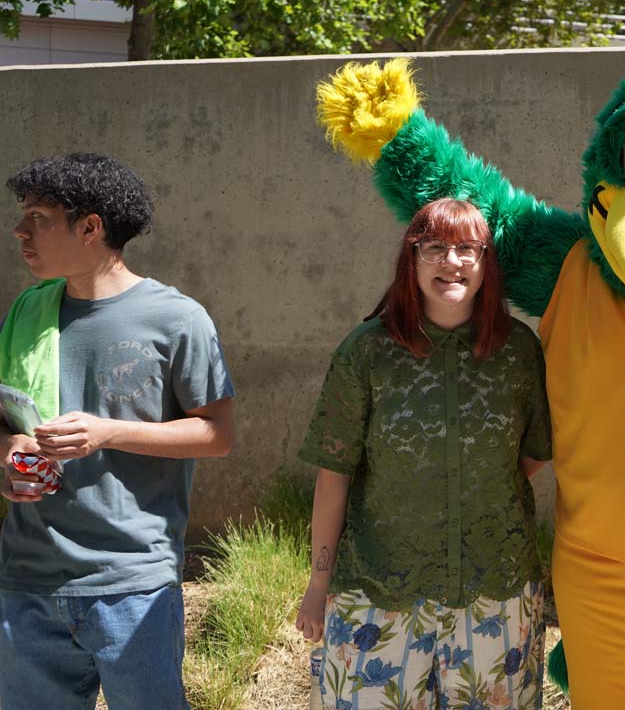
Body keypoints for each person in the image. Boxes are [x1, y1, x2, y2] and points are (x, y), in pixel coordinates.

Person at [294, 198, 552, 710]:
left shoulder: (519, 351)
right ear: (411, 260)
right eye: (435, 248)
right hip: (380, 588)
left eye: (466, 250)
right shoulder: (366, 352)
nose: (451, 262)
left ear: (485, 264)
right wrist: (318, 585)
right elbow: (335, 475)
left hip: (495, 590)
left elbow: (533, 454)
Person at [0, 152, 236, 710]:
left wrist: (106, 433)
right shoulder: (25, 313)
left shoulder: (177, 319)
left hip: (132, 583)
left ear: (90, 228)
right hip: (27, 580)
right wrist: (9, 449)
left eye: (38, 217)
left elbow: (217, 434)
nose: (19, 231)